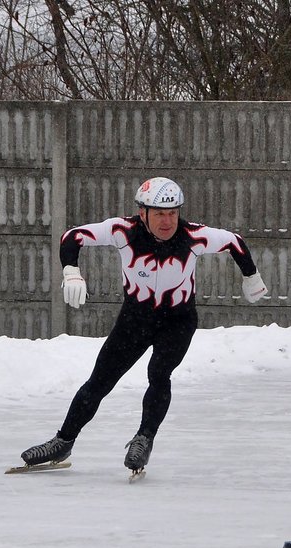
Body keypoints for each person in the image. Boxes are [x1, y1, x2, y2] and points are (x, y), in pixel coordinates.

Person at [20, 177, 268, 472]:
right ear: (143, 213)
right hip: (135, 319)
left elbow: (233, 241)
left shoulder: (193, 236)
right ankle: (62, 442)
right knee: (100, 381)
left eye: (173, 213)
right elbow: (73, 236)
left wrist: (251, 276)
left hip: (178, 320)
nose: (167, 221)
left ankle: (144, 437)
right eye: (160, 214)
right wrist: (71, 270)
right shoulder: (123, 231)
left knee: (159, 373)